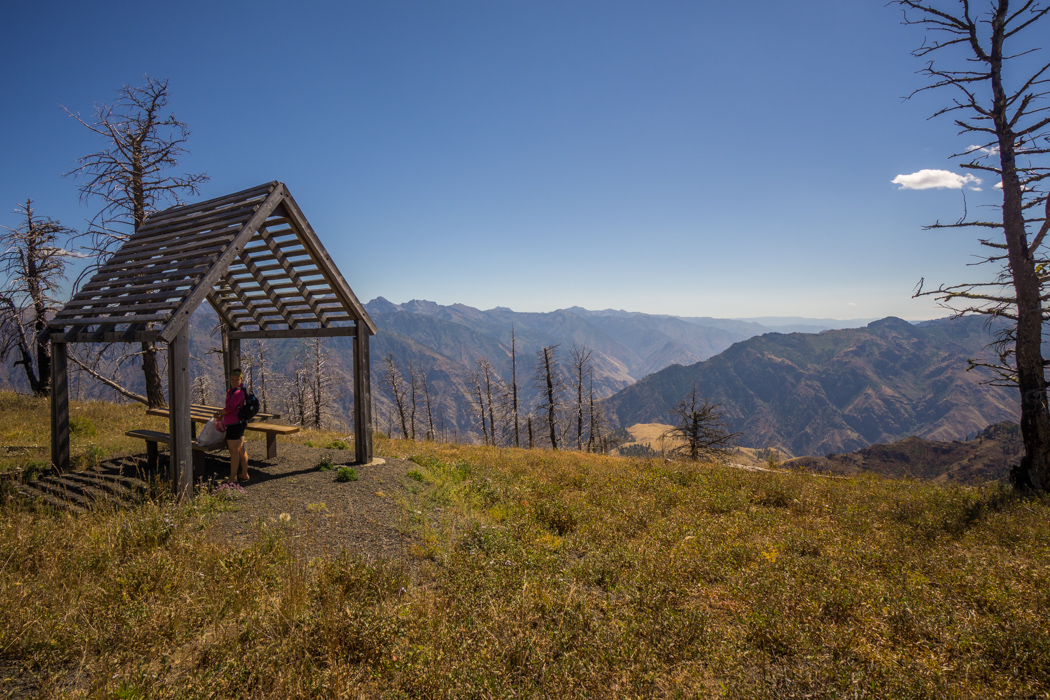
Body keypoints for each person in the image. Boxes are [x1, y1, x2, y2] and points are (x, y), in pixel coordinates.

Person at [215, 368, 250, 483]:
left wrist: (219, 413)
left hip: (234, 424)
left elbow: (230, 408)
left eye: (237, 379)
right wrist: (222, 416)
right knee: (241, 449)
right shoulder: (236, 391)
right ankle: (244, 474)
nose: (234, 381)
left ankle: (233, 477)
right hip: (239, 423)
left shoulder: (238, 392)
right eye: (232, 379)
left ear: (241, 379)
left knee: (234, 450)